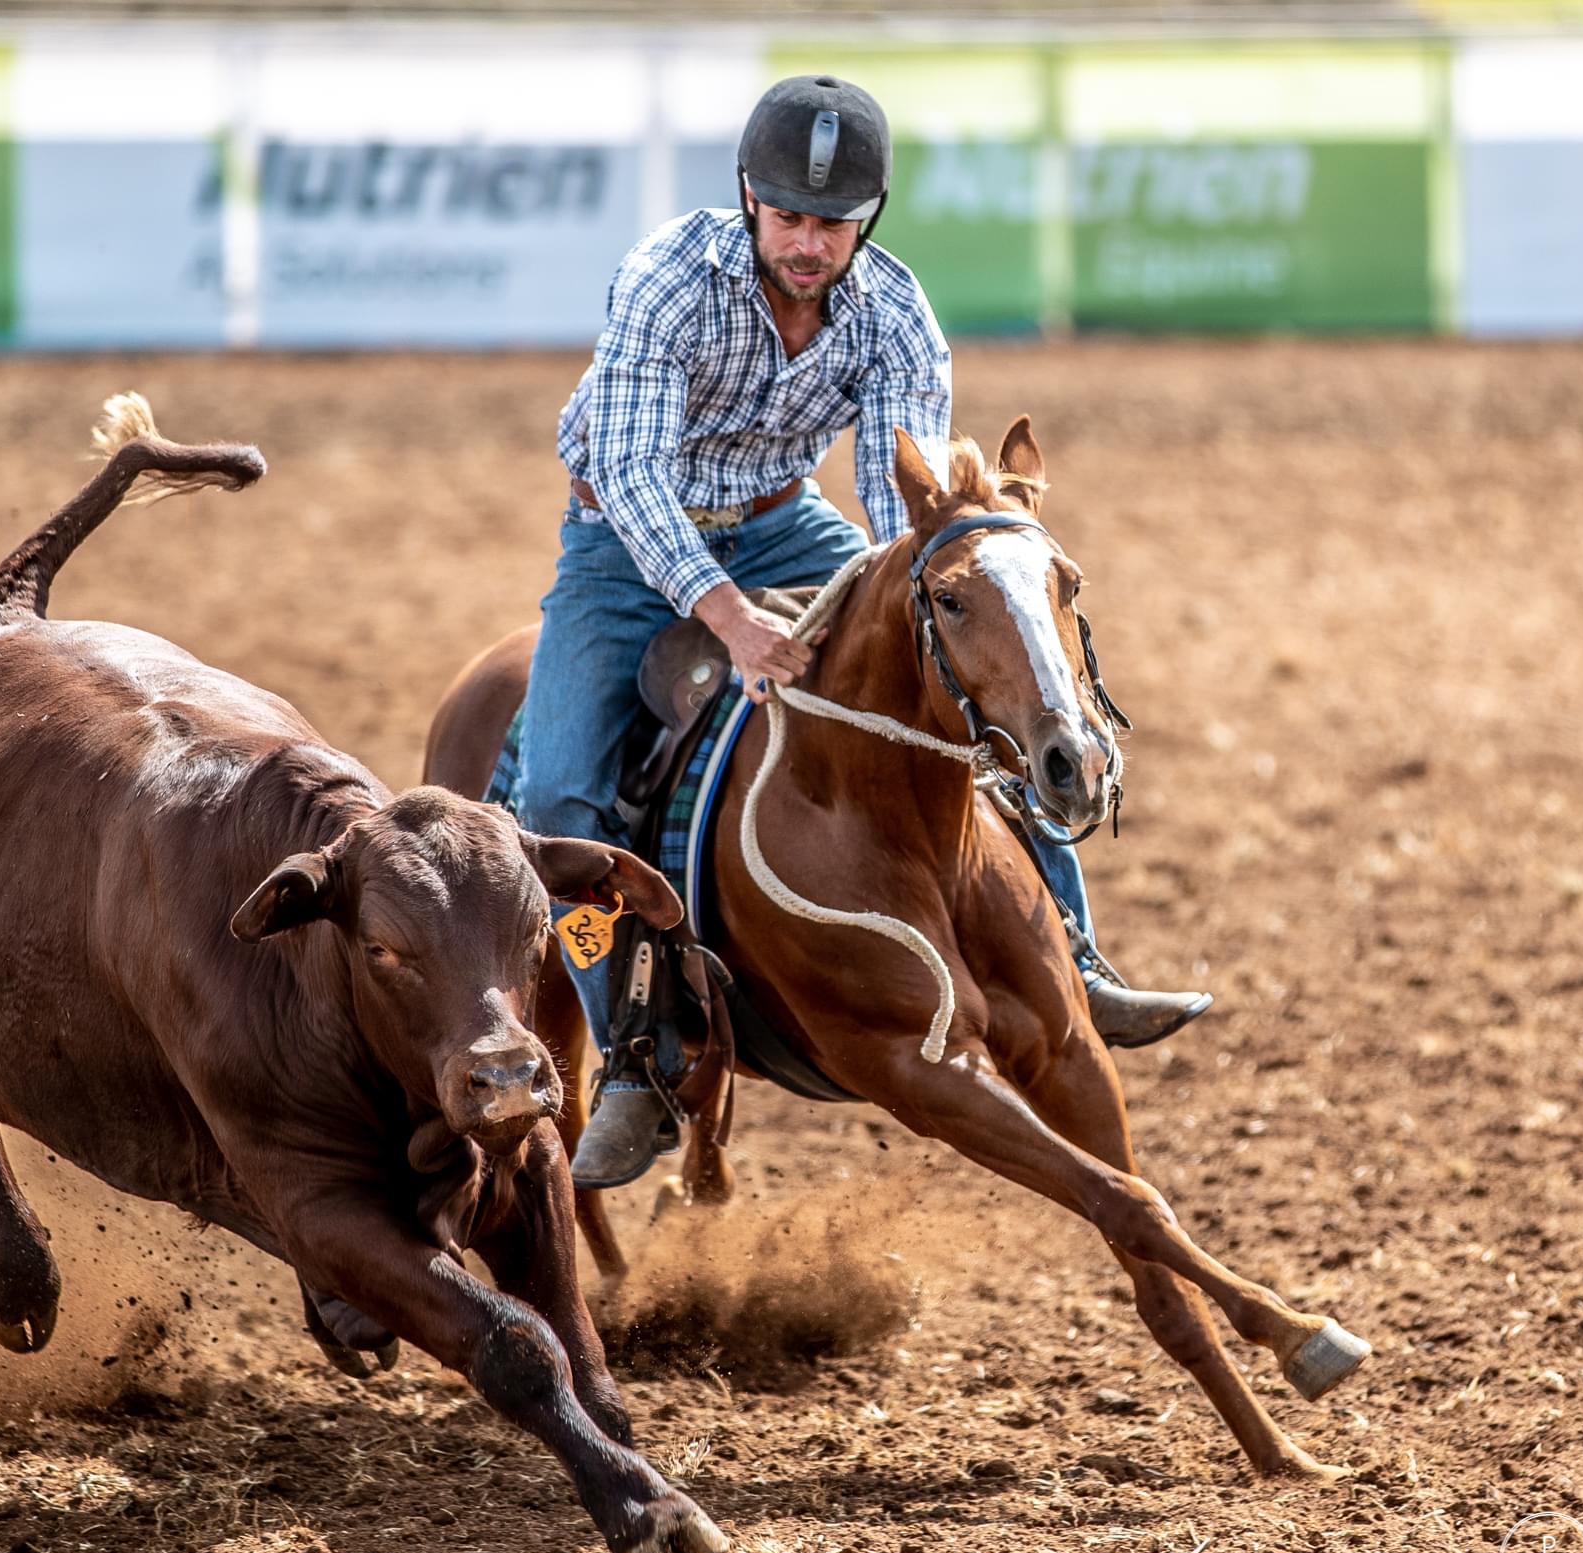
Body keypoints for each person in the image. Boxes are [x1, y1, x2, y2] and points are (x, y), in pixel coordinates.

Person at [517, 74, 1211, 1190]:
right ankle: (635, 1059)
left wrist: (919, 605)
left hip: (786, 518)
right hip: (621, 543)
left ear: (867, 220)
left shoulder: (894, 312)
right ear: (750, 198)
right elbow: (634, 475)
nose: (807, 244)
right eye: (789, 216)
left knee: (954, 682)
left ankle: (1075, 961)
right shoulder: (665, 278)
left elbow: (904, 511)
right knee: (557, 798)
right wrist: (729, 617)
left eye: (832, 224)